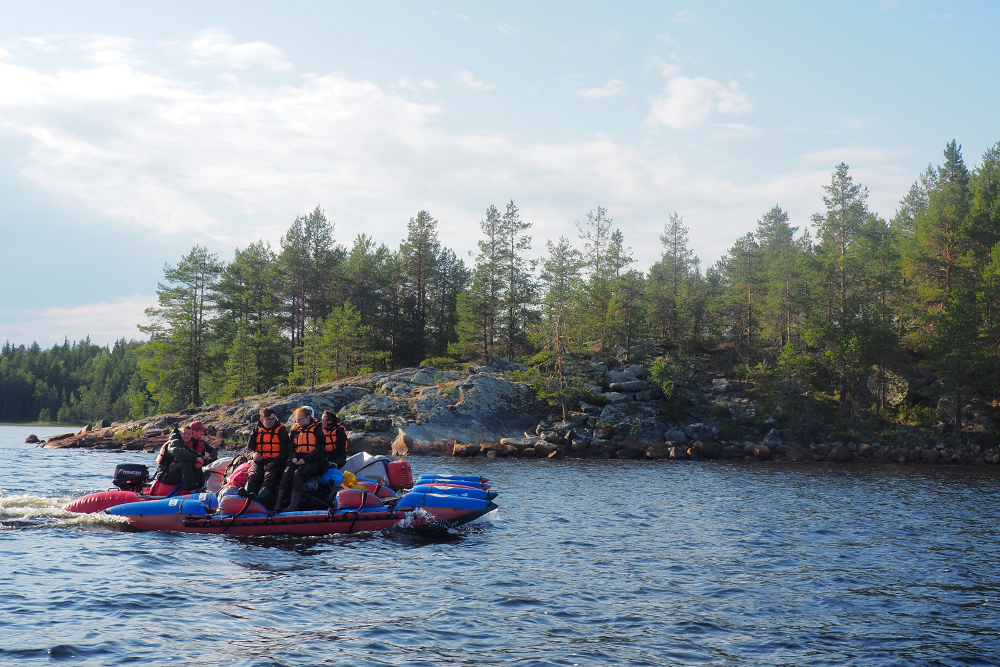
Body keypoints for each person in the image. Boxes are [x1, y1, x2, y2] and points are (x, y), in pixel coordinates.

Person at [274, 407, 327, 512]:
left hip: (314, 460)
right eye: (297, 420)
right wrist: (293, 457)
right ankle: (278, 504)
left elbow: (320, 450)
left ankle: (294, 505)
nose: (298, 422)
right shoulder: (296, 430)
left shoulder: (317, 430)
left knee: (298, 473)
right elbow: (291, 448)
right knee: (287, 473)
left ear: (308, 418)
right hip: (297, 458)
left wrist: (305, 460)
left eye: (300, 419)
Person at [241, 407, 290, 506]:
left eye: (273, 418)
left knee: (269, 477)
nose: (271, 421)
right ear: (262, 420)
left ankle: (260, 498)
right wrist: (253, 454)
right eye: (268, 419)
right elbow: (247, 449)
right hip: (259, 461)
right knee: (253, 474)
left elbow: (286, 452)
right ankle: (246, 494)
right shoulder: (256, 431)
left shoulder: (281, 431)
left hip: (276, 462)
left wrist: (274, 462)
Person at [155, 422, 217, 491]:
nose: (186, 436)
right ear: (180, 433)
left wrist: (200, 457)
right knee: (187, 463)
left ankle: (200, 487)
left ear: (191, 434)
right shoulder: (174, 443)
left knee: (197, 463)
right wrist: (196, 459)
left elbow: (195, 452)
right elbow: (179, 452)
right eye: (184, 433)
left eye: (189, 434)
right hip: (164, 475)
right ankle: (191, 490)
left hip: (173, 472)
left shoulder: (184, 444)